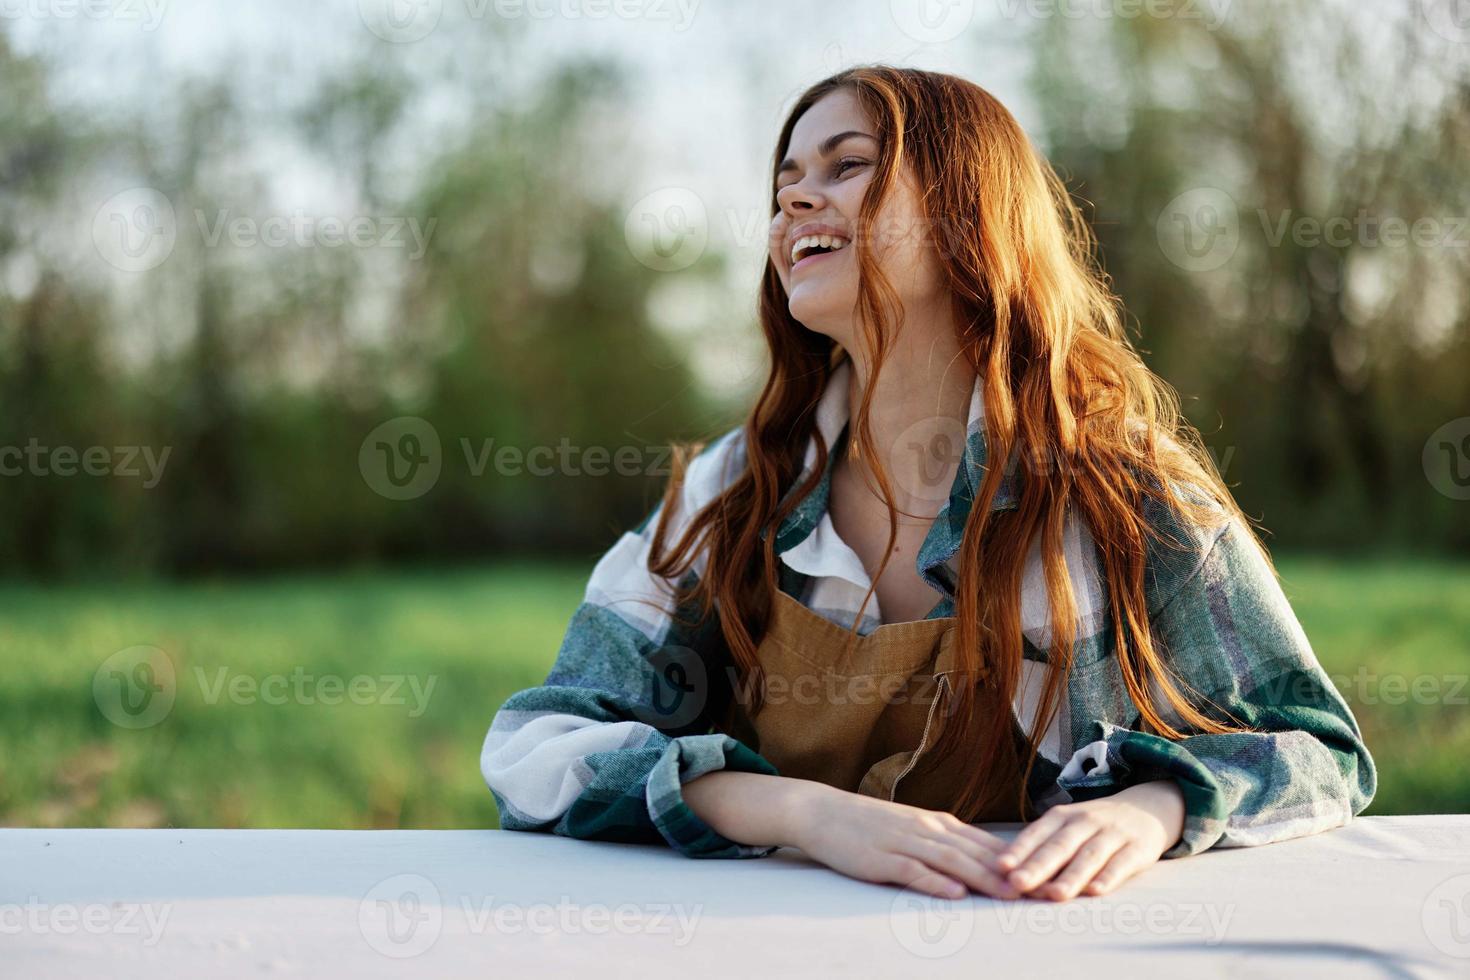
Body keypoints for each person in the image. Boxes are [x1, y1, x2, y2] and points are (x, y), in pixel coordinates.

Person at [480, 65, 1376, 903]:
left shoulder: (1125, 491)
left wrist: (1157, 807)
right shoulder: (727, 493)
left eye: (848, 165)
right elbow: (537, 746)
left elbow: (1321, 748)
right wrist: (796, 812)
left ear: (965, 215)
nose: (794, 198)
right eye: (786, 179)